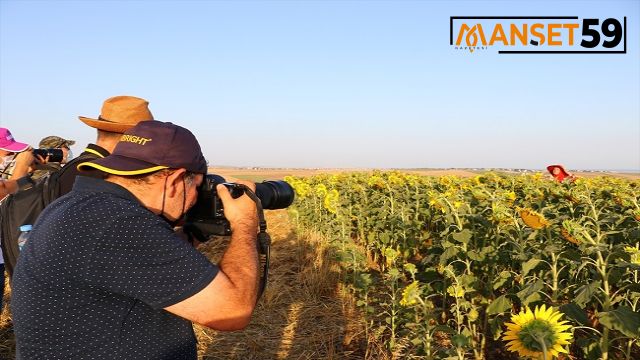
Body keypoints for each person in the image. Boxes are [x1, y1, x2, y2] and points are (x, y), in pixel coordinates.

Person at [11, 120, 260, 359]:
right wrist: (245, 224)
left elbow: (142, 266)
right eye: (196, 187)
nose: (195, 198)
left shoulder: (77, 206)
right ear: (175, 180)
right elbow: (232, 311)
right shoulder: (119, 223)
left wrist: (197, 230)